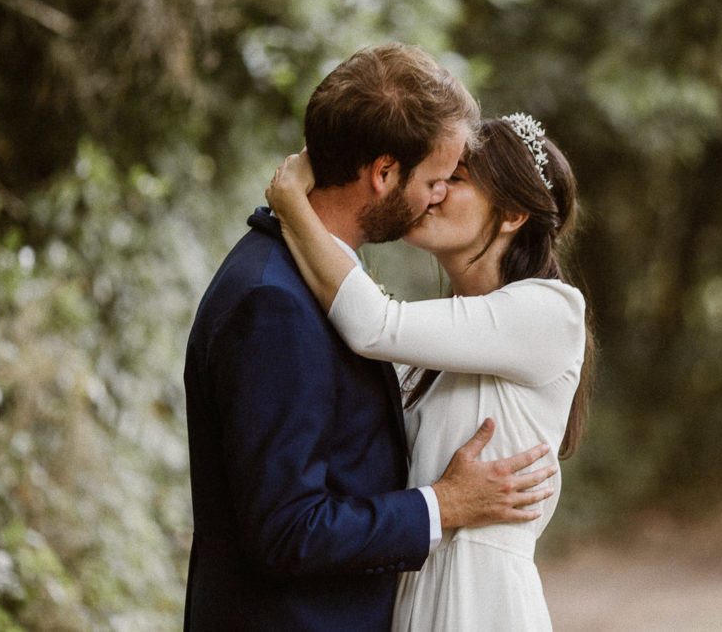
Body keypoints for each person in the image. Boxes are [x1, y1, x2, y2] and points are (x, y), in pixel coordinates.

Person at [182, 44, 559, 631]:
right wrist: (444, 503)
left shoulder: (311, 286)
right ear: (383, 174)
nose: (435, 196)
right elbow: (285, 530)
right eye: (437, 179)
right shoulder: (274, 301)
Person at [266, 112, 595, 631]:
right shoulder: (440, 349)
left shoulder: (550, 311)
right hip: (417, 588)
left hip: (482, 600)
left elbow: (373, 325)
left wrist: (290, 206)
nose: (432, 192)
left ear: (510, 214)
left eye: (454, 181)